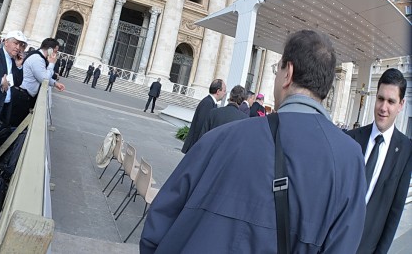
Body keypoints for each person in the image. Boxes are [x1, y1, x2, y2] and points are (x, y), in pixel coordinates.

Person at [140, 30, 366, 253]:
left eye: (276, 69)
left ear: (288, 73)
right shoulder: (350, 159)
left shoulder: (222, 137)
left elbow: (159, 223)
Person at [347, 68, 412, 254]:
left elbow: (395, 211)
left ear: (401, 105)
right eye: (380, 99)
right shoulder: (351, 139)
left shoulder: (406, 151)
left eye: (391, 101)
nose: (383, 107)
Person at [17, 38, 65, 125]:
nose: (56, 54)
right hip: (22, 95)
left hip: (25, 94)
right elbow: (44, 78)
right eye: (55, 51)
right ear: (50, 50)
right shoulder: (37, 59)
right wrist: (52, 64)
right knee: (16, 122)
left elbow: (41, 74)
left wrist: (54, 83)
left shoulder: (39, 57)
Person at [180, 78, 226, 154]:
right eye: (224, 91)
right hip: (196, 147)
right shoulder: (208, 103)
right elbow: (201, 127)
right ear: (218, 91)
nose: (225, 94)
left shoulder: (210, 102)